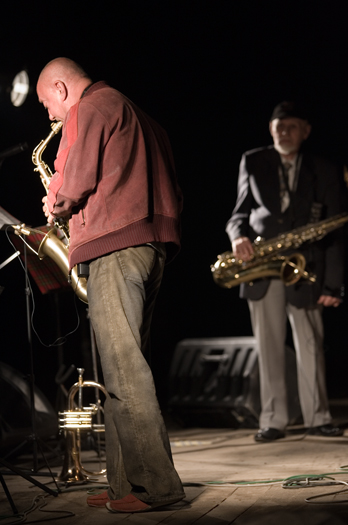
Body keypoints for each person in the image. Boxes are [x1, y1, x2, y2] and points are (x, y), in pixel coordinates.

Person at [37, 58, 185, 513]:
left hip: (115, 249)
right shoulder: (139, 114)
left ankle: (156, 488)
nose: (50, 117)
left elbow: (76, 181)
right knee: (123, 367)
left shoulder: (91, 108)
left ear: (61, 88)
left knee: (123, 370)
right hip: (151, 244)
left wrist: (54, 199)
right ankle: (123, 485)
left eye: (47, 104)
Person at [225, 101, 348, 442]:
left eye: (291, 126)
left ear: (305, 131)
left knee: (310, 344)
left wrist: (334, 284)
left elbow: (337, 229)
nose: (283, 132)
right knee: (268, 346)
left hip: (306, 266)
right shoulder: (252, 160)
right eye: (278, 126)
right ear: (270, 129)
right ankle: (273, 420)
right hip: (263, 267)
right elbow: (238, 215)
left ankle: (318, 417)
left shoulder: (324, 168)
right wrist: (238, 237)